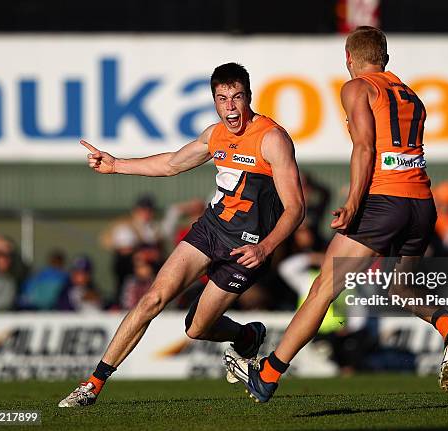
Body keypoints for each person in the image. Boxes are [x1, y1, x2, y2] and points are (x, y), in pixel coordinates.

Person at [224, 26, 448, 402]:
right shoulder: (412, 96)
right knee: (400, 285)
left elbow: (364, 147)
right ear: (385, 59)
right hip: (421, 203)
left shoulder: (357, 87)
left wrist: (355, 203)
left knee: (323, 288)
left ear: (348, 58)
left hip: (383, 202)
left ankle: (268, 375)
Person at [58, 62, 305, 407]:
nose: (230, 107)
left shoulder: (272, 139)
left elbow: (296, 208)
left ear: (249, 97)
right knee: (152, 299)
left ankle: (247, 335)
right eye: (222, 99)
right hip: (210, 230)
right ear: (215, 102)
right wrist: (116, 165)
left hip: (247, 248)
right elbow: (172, 163)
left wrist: (266, 248)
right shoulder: (214, 134)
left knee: (197, 328)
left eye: (237, 97)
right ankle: (93, 384)